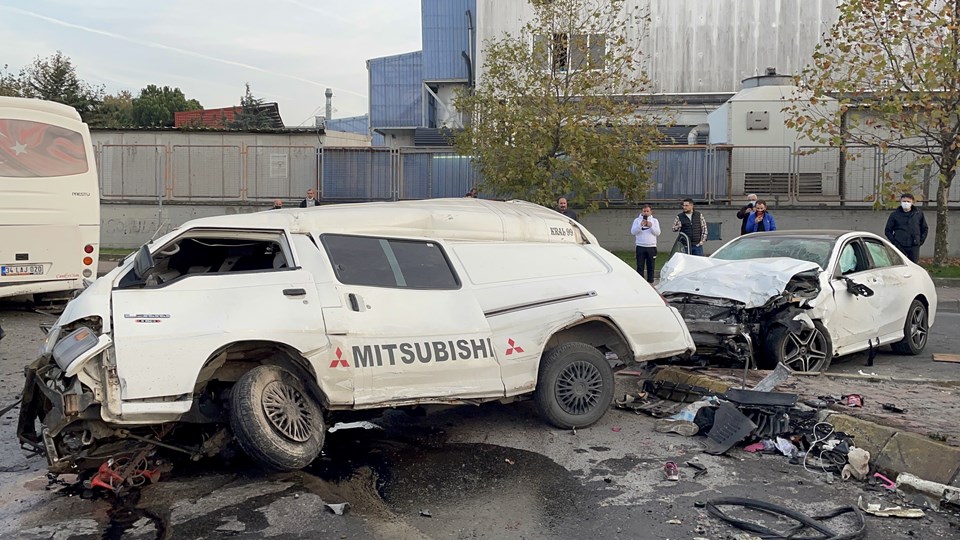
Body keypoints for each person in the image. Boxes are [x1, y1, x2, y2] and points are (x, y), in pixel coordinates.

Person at [884, 193, 928, 263]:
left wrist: (920, 241)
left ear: (912, 202)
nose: (906, 203)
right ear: (900, 202)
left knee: (913, 265)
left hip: (914, 245)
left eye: (908, 201)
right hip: (899, 245)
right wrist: (895, 242)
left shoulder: (918, 214)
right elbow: (888, 231)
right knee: (899, 264)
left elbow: (924, 228)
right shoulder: (894, 215)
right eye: (904, 201)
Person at [630, 205, 661, 283]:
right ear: (642, 211)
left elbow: (658, 233)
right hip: (640, 246)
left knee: (651, 266)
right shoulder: (637, 220)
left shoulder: (655, 221)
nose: (646, 213)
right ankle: (640, 282)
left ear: (651, 212)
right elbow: (633, 232)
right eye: (644, 211)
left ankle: (651, 282)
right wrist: (640, 225)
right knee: (640, 266)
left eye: (647, 211)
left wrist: (651, 226)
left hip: (651, 247)